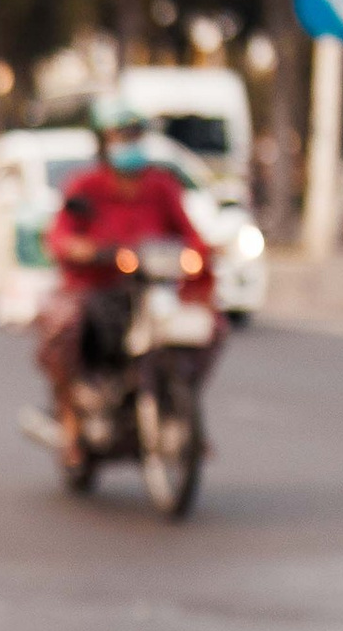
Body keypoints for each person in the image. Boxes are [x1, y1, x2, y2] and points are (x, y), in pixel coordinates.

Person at [36, 96, 215, 465]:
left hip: (154, 287)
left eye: (134, 135)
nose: (128, 143)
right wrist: (86, 250)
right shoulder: (86, 185)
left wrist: (199, 255)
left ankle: (181, 408)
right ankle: (70, 422)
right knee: (66, 327)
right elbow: (61, 235)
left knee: (211, 326)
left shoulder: (161, 186)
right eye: (120, 136)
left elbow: (190, 233)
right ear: (104, 143)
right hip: (96, 286)